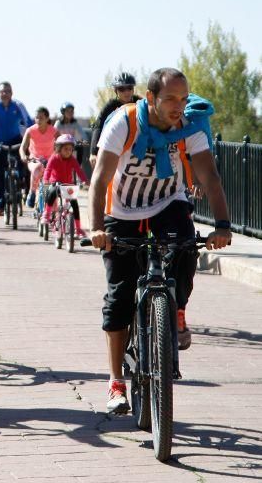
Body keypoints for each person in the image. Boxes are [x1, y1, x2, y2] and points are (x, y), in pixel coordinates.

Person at [88, 67, 231, 414]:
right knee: (119, 296)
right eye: (170, 98)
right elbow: (100, 178)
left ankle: (176, 308)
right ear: (150, 98)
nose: (178, 106)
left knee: (185, 250)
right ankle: (116, 381)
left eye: (183, 99)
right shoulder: (124, 123)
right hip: (122, 211)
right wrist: (96, 228)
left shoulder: (189, 126)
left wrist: (223, 224)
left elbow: (208, 175)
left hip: (168, 203)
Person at [0, 82, 34, 216]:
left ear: (12, 93)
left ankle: (21, 182)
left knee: (23, 158)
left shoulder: (18, 105)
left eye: (8, 91)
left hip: (15, 140)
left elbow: (29, 122)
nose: (5, 94)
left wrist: (31, 139)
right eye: (2, 91)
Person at [90, 73, 141, 168]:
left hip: (135, 147)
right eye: (121, 89)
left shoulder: (140, 103)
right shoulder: (110, 106)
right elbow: (98, 127)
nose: (126, 92)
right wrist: (93, 153)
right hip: (115, 145)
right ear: (116, 91)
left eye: (129, 88)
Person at [42, 134, 88, 237]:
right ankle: (46, 214)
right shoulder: (54, 158)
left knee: (75, 205)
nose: (69, 151)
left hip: (68, 185)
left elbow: (79, 170)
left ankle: (78, 229)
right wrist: (46, 179)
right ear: (59, 148)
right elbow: (48, 170)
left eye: (71, 149)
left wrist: (85, 180)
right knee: (52, 192)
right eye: (66, 149)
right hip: (56, 183)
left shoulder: (72, 159)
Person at [20, 107, 58, 208]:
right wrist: (23, 156)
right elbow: (22, 147)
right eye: (36, 118)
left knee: (51, 185)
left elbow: (62, 143)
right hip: (34, 159)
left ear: (47, 118)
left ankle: (52, 210)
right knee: (37, 168)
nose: (38, 120)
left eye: (41, 118)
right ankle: (32, 193)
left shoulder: (53, 131)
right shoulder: (30, 130)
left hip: (50, 160)